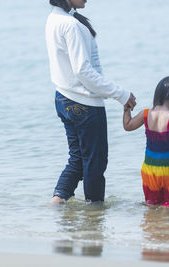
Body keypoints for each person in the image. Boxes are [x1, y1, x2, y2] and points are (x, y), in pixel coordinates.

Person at [46, 0, 136, 204]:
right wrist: (121, 94)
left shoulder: (54, 19)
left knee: (77, 160)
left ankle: (55, 205)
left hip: (63, 98)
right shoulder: (70, 25)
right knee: (94, 165)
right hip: (83, 104)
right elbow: (83, 70)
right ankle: (94, 217)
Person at [123, 76, 169, 207]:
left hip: (150, 170)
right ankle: (168, 224)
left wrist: (126, 109)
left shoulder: (146, 114)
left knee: (152, 205)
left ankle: (152, 225)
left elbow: (128, 125)